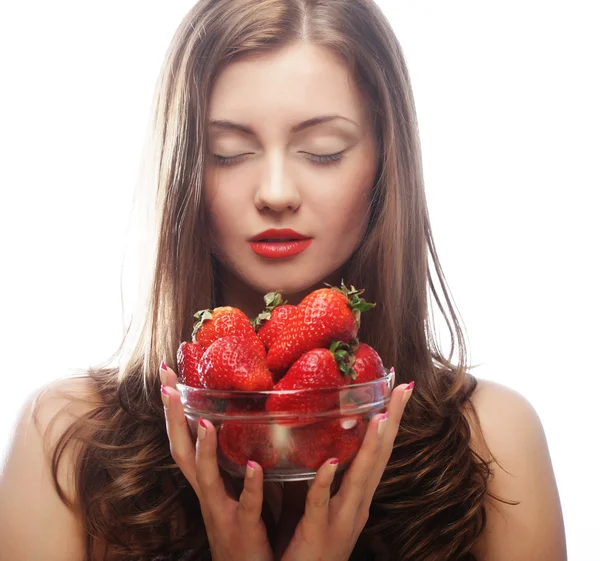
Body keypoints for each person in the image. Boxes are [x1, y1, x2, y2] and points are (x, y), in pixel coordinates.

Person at [0, 1, 567, 560]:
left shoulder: (495, 439)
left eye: (322, 152)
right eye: (228, 153)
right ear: (183, 170)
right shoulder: (64, 441)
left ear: (384, 163)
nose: (275, 191)